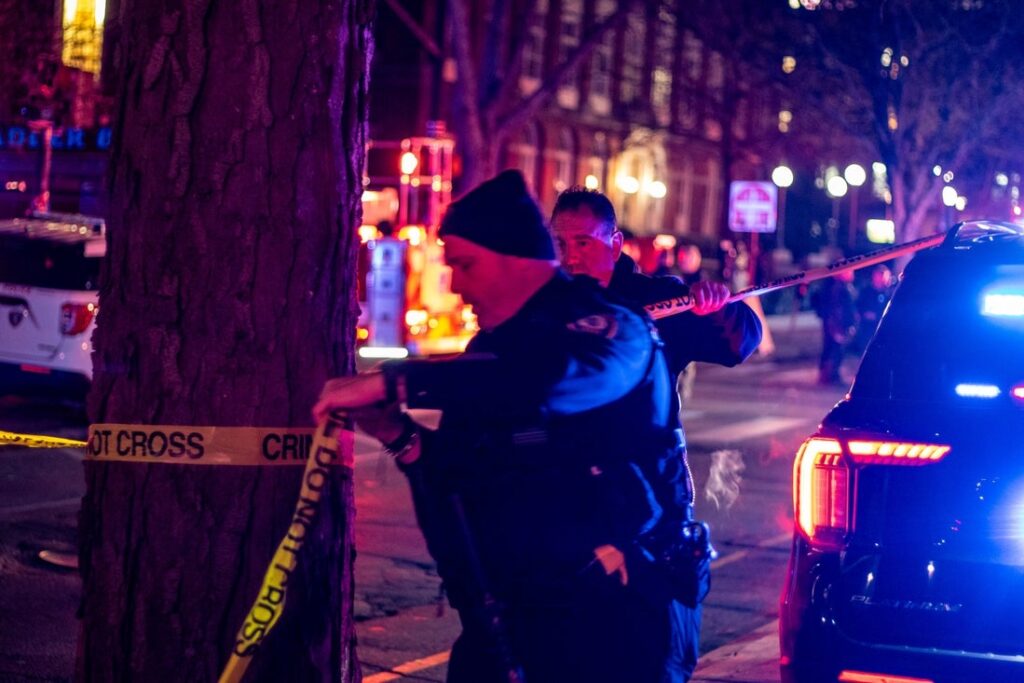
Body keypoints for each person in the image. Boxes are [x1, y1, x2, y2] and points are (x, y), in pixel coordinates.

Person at [316, 170, 692, 682]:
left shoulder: (612, 330)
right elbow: (461, 470)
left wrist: (396, 382)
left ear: (515, 262)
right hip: (504, 622)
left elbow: (550, 381)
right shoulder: (489, 354)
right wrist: (396, 433)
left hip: (608, 627)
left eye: (466, 264)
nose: (457, 284)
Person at [549, 187, 763, 679]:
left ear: (615, 241)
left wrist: (720, 308)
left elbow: (740, 341)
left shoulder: (655, 300)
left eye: (584, 241)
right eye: (561, 242)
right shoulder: (552, 306)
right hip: (572, 505)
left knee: (647, 651)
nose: (571, 255)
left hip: (649, 509)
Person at [812, 269, 858, 385]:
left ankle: (829, 375)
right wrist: (839, 325)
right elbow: (839, 308)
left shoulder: (841, 287)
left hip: (836, 323)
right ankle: (829, 375)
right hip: (836, 324)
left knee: (833, 349)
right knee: (834, 349)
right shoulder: (837, 288)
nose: (850, 273)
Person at [854, 264, 893, 352]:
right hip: (866, 329)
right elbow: (858, 307)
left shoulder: (890, 293)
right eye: (879, 275)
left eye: (884, 276)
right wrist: (863, 315)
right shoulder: (866, 291)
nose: (881, 278)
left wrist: (877, 316)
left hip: (883, 330)